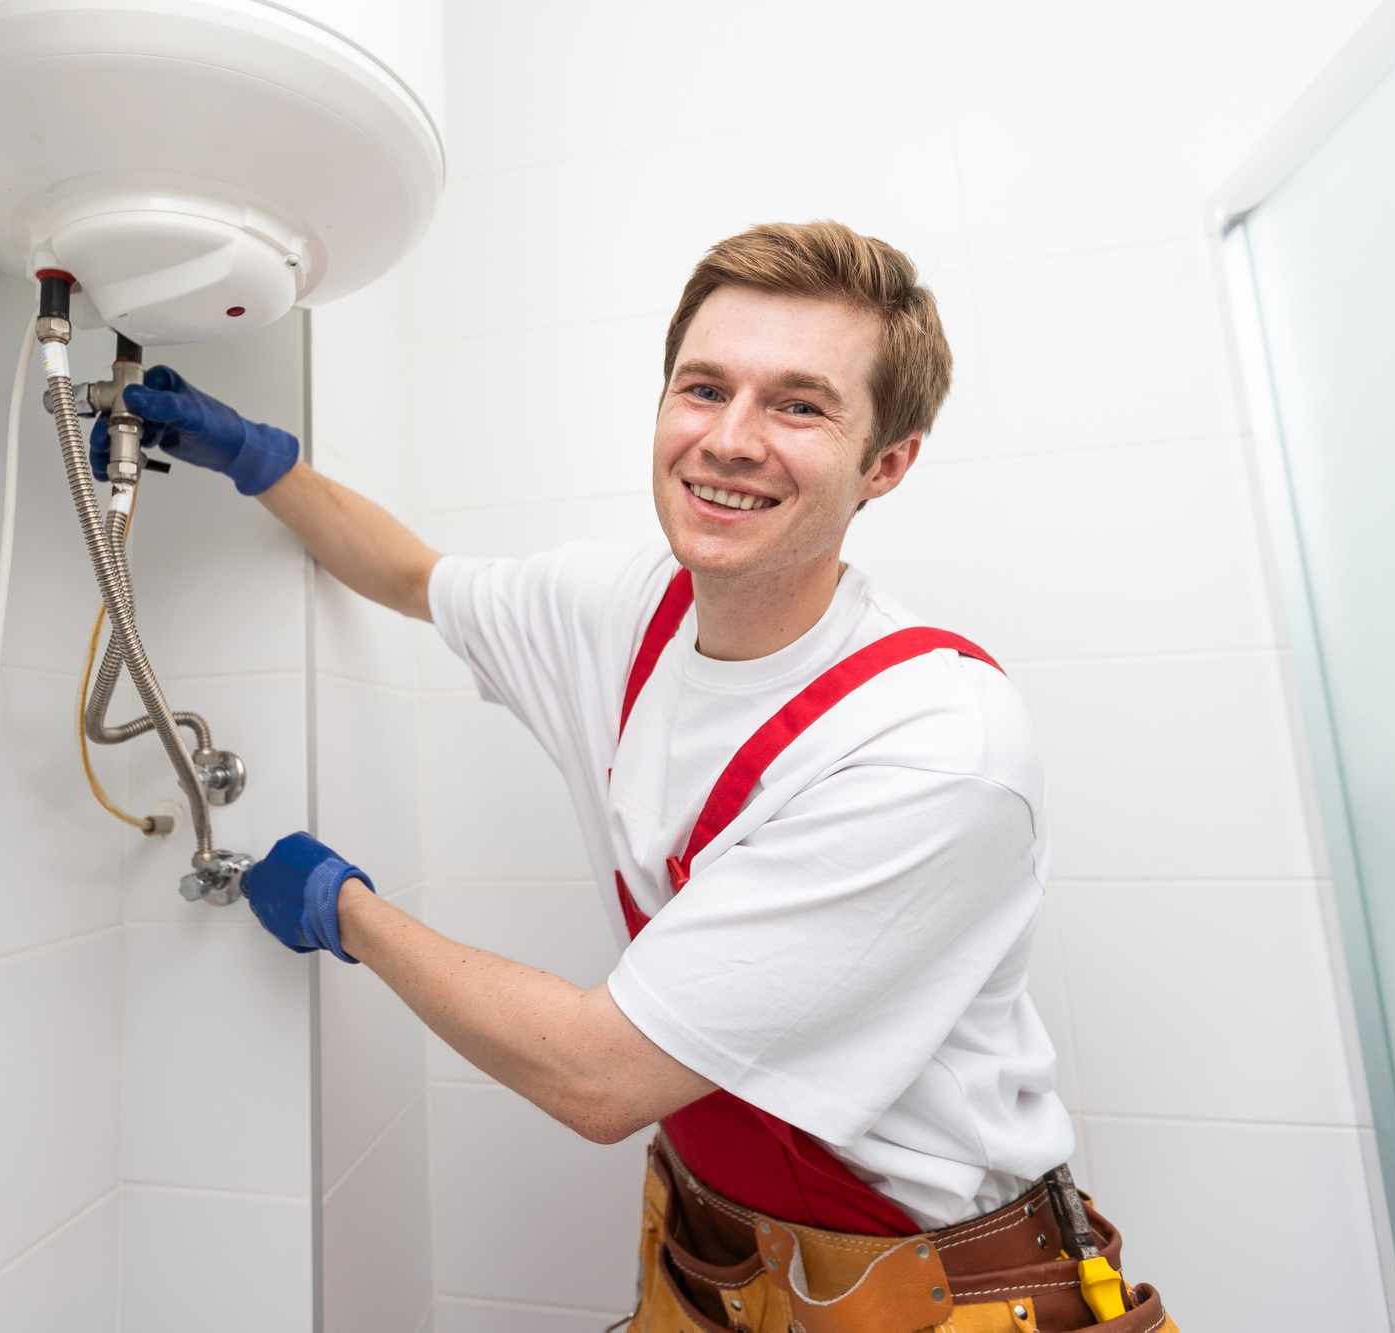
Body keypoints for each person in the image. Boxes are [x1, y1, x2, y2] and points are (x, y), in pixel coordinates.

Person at [92, 220, 1176, 1332]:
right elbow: (416, 578)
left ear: (884, 464)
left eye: (798, 405)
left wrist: (345, 911)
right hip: (719, 1245)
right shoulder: (615, 610)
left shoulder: (930, 748)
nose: (730, 439)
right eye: (702, 389)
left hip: (936, 1283)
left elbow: (598, 1078)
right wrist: (259, 463)